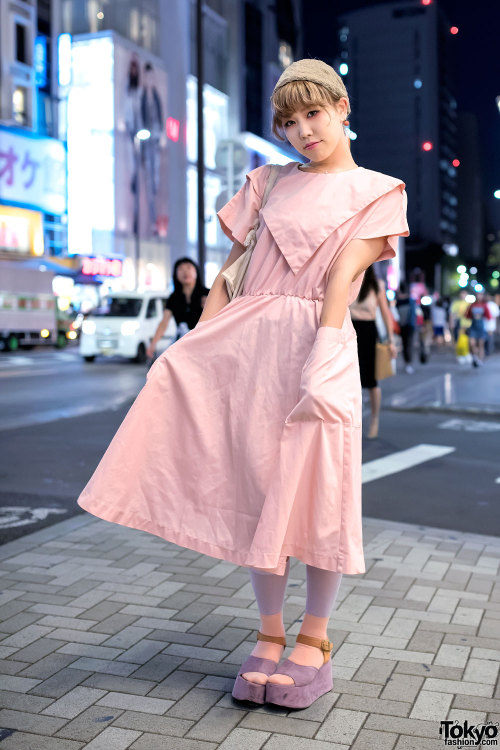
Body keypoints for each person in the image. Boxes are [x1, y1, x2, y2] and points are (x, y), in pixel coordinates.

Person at [77, 59, 409, 709]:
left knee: (319, 489)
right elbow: (230, 275)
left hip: (320, 339)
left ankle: (313, 640)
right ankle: (268, 633)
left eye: (314, 113)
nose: (302, 131)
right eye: (288, 121)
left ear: (343, 108)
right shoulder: (266, 181)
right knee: (260, 487)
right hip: (249, 344)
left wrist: (323, 347)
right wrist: (196, 344)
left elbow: (344, 271)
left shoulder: (380, 189)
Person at [349, 265, 396, 439]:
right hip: (349, 330)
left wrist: (391, 341)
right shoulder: (348, 279)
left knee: (370, 379)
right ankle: (353, 421)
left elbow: (385, 313)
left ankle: (375, 419)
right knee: (350, 380)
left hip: (368, 332)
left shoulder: (377, 284)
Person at [146, 258, 209, 359]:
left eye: (189, 268)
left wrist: (208, 307)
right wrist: (153, 344)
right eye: (181, 269)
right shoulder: (174, 297)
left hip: (205, 341)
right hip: (182, 342)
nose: (185, 272)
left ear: (196, 271)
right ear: (175, 274)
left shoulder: (208, 294)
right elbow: (163, 323)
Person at [465, 291, 492, 367]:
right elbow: (467, 316)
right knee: (472, 343)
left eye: (480, 295)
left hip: (482, 327)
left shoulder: (484, 305)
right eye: (477, 295)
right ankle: (475, 356)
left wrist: (489, 328)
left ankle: (480, 360)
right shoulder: (472, 305)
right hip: (473, 327)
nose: (479, 296)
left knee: (481, 344)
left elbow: (489, 317)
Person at [395, 282, 417, 373]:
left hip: (401, 325)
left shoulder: (397, 301)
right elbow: (413, 314)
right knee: (408, 345)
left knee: (404, 345)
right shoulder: (410, 300)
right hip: (408, 325)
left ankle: (407, 362)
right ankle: (408, 363)